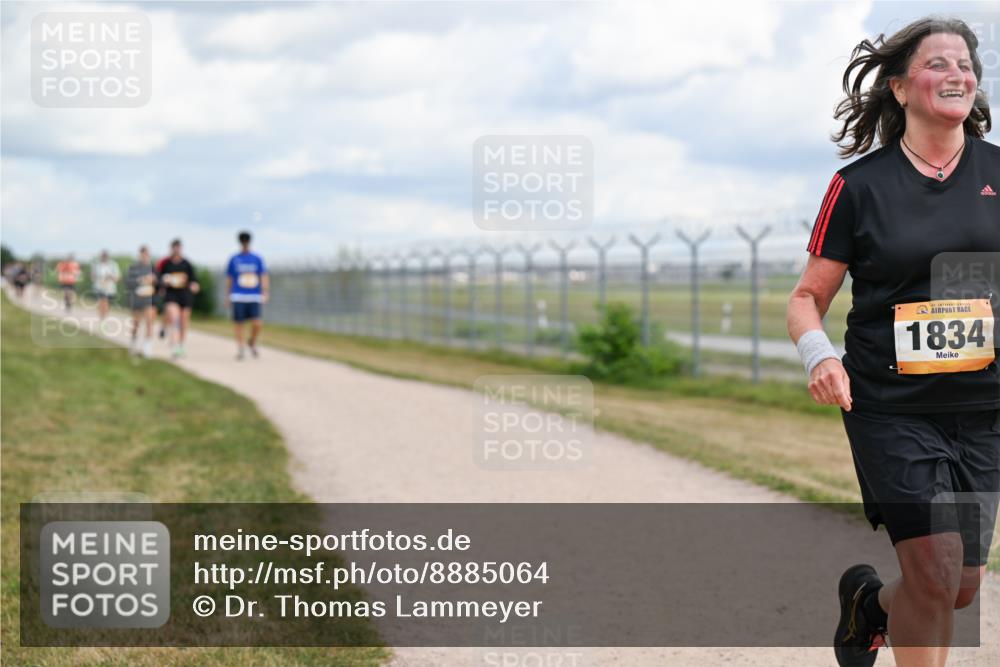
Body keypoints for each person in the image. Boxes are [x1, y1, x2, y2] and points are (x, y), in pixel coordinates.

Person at [787, 18, 998, 667]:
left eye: (964, 62)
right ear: (902, 86)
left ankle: (870, 606)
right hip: (891, 406)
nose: (956, 73)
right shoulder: (859, 187)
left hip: (984, 409)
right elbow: (806, 300)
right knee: (935, 571)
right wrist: (821, 357)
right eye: (938, 63)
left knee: (959, 586)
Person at [225, 230, 269, 360]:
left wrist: (265, 291)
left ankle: (252, 341)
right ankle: (240, 348)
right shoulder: (234, 259)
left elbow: (263, 275)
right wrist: (228, 295)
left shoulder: (257, 259)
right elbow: (230, 278)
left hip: (254, 295)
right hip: (238, 295)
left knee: (257, 323)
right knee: (239, 323)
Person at [157, 239, 199, 358]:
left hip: (184, 295)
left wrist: (194, 285)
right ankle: (174, 345)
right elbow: (158, 278)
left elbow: (194, 279)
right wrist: (163, 283)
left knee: (184, 320)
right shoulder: (166, 263)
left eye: (178, 248)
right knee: (175, 318)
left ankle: (181, 344)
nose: (176, 250)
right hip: (171, 295)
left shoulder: (187, 264)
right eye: (174, 248)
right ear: (171, 249)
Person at [126, 246, 157, 358]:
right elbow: (128, 282)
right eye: (143, 254)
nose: (145, 257)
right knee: (136, 323)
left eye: (147, 254)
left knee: (149, 321)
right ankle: (133, 342)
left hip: (149, 299)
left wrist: (154, 280)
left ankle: (147, 346)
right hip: (137, 298)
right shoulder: (133, 268)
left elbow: (159, 282)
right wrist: (141, 280)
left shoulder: (153, 268)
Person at [91, 250, 121, 321]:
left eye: (105, 256)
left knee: (106, 303)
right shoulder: (97, 264)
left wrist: (110, 276)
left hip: (109, 288)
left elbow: (117, 277)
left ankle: (104, 315)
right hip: (99, 286)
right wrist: (96, 277)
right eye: (103, 256)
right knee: (101, 301)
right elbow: (93, 276)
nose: (104, 258)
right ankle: (102, 316)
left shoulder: (113, 265)